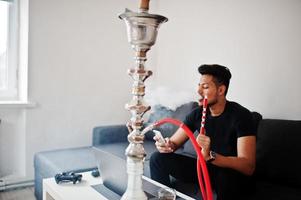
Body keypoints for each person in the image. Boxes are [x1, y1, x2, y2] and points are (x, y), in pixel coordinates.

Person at [150, 64, 256, 200]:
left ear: (221, 90)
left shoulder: (241, 116)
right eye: (199, 86)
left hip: (231, 173)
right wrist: (166, 145)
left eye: (205, 87)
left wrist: (211, 156)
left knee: (225, 178)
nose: (198, 91)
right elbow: (174, 143)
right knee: (157, 159)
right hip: (206, 168)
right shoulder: (197, 114)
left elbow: (248, 166)